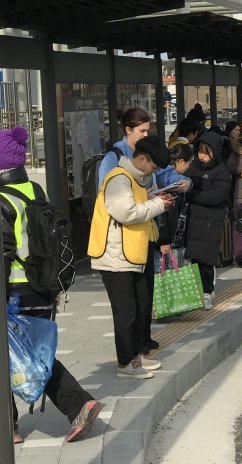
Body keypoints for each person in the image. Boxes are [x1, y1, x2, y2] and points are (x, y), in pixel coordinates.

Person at [1, 127, 103, 444]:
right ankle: (74, 406)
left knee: (18, 357)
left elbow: (4, 254)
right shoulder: (35, 191)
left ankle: (12, 427)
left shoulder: (2, 201)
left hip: (14, 291)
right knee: (31, 354)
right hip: (43, 289)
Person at [97, 108, 191, 355]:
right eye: (142, 130)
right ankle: (128, 360)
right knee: (127, 308)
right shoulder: (116, 165)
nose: (145, 134)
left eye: (148, 130)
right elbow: (120, 206)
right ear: (128, 130)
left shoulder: (146, 159)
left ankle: (139, 348)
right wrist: (156, 203)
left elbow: (161, 177)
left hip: (140, 239)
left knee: (143, 298)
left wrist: (180, 184)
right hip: (120, 246)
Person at [88, 136, 173, 379]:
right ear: (143, 159)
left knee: (140, 306)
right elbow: (126, 212)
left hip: (131, 254)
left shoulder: (133, 179)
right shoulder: (118, 178)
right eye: (154, 167)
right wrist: (158, 205)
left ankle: (136, 356)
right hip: (115, 256)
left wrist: (154, 200)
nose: (153, 172)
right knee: (126, 312)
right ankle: (125, 364)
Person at [183, 132, 232, 310]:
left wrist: (192, 194)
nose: (202, 156)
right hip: (193, 221)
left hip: (210, 222)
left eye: (206, 152)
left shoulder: (222, 172)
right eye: (199, 152)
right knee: (193, 259)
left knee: (206, 260)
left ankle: (207, 292)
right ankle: (197, 292)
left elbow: (215, 196)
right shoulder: (194, 166)